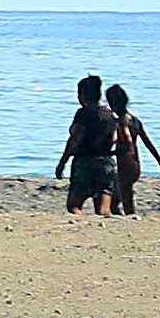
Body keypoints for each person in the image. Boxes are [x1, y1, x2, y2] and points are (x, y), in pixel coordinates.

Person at [54, 73, 114, 215]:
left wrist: (62, 162)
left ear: (83, 95)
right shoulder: (109, 114)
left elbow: (75, 139)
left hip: (85, 162)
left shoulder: (83, 113)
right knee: (103, 208)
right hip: (106, 162)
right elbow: (114, 139)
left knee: (74, 205)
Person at [105, 83, 160, 214]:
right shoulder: (135, 121)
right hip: (135, 164)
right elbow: (148, 143)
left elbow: (126, 144)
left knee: (126, 200)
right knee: (115, 200)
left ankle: (131, 220)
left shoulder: (122, 122)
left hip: (126, 164)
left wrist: (110, 152)